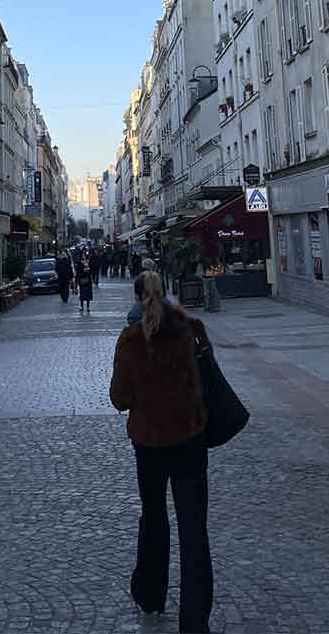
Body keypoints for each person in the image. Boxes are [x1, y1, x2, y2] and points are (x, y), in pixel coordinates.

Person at [110, 271, 213, 633]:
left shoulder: (130, 339)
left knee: (153, 518)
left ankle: (151, 594)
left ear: (138, 297)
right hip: (189, 438)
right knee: (194, 530)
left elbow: (119, 398)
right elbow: (203, 383)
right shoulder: (191, 330)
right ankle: (195, 621)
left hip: (149, 442)